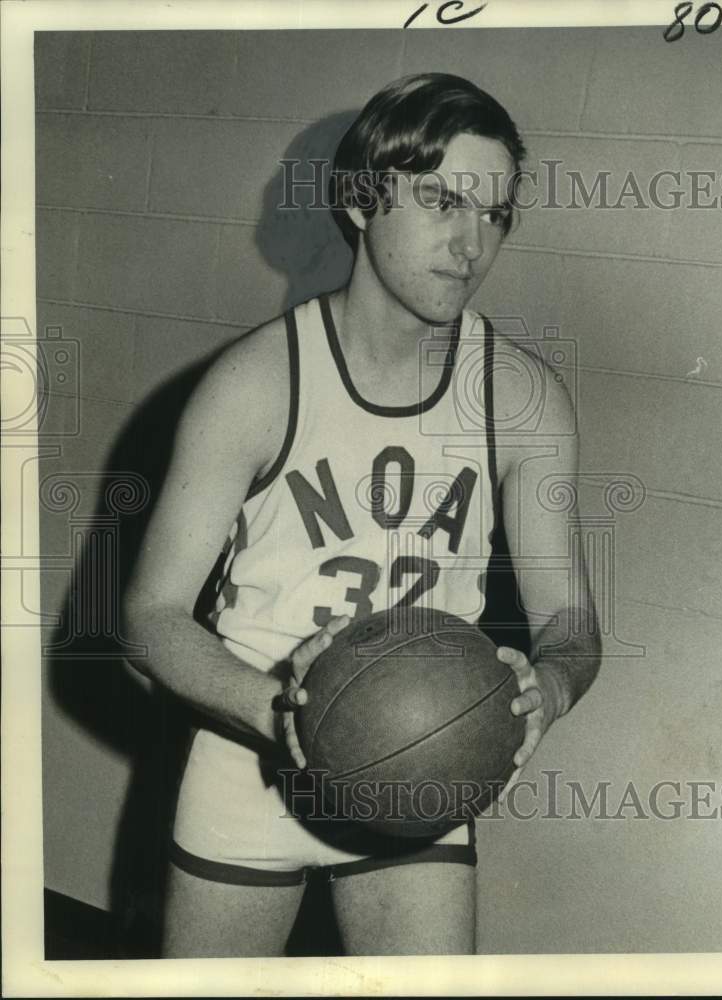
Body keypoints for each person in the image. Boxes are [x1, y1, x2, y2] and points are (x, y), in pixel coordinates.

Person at [123, 72, 601, 958]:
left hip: (424, 754)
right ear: (359, 199)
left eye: (494, 214)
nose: (470, 243)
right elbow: (150, 618)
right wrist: (282, 714)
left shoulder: (525, 399)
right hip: (252, 754)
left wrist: (554, 687)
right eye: (442, 200)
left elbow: (570, 622)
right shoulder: (255, 384)